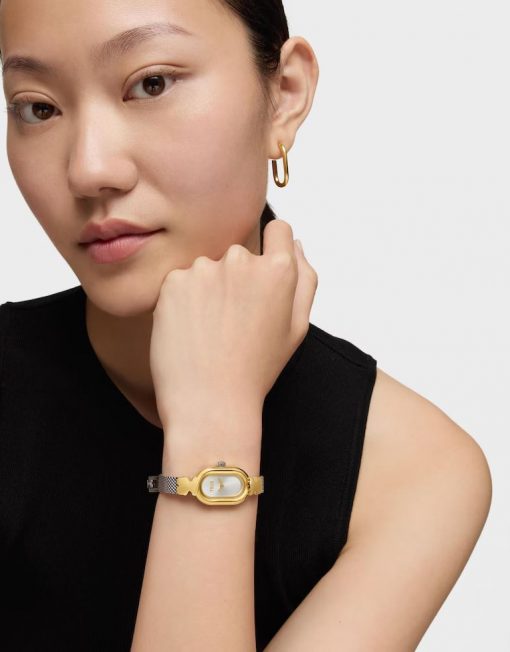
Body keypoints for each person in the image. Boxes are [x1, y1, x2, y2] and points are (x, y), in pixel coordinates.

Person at [0, 1, 492, 650]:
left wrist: (213, 423)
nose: (89, 169)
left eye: (151, 83)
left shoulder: (412, 472)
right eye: (37, 108)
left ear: (284, 94)